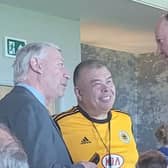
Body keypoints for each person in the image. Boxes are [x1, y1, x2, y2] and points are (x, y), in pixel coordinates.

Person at [0, 42, 97, 168]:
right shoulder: (29, 107)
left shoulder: (13, 103)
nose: (66, 74)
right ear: (36, 65)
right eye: (60, 65)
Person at [53, 59, 139, 168]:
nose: (106, 89)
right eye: (97, 84)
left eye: (109, 82)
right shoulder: (59, 124)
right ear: (79, 93)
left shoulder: (125, 119)